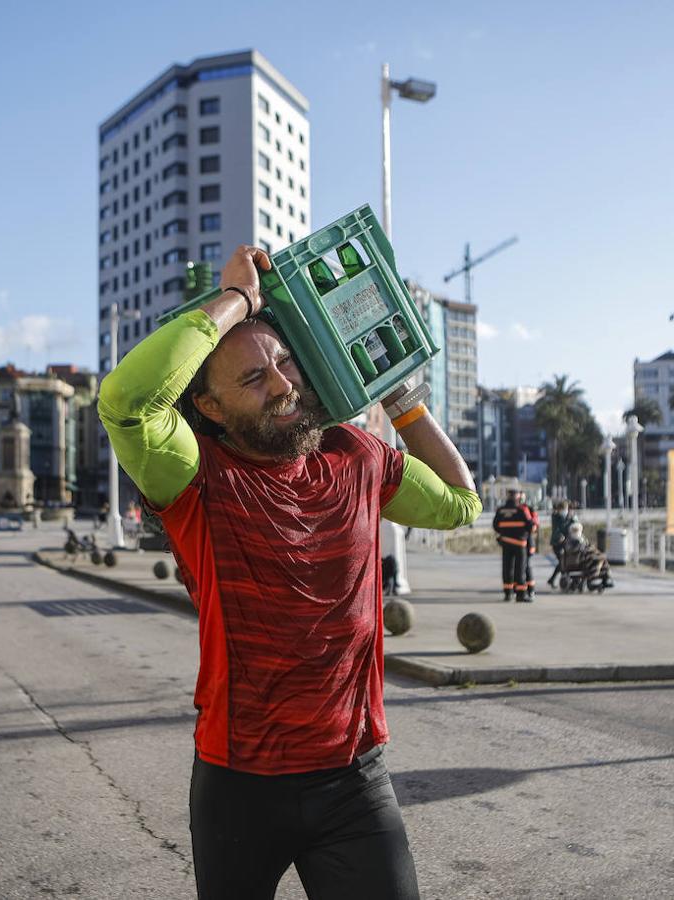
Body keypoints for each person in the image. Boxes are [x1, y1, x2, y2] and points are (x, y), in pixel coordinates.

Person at [99, 245, 480, 900]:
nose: (280, 385)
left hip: (354, 780)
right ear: (211, 409)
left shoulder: (355, 455)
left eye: (284, 363)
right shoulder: (195, 478)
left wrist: (404, 402)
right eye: (251, 380)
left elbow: (459, 501)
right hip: (239, 786)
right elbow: (128, 403)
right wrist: (240, 300)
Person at [493, 488, 539, 601]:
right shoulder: (522, 509)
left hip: (506, 542)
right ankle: (521, 594)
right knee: (520, 569)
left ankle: (508, 594)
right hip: (520, 544)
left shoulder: (501, 510)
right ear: (518, 496)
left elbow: (496, 525)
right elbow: (530, 526)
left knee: (507, 568)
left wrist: (505, 533)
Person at [546, 500, 574, 588]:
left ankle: (555, 579)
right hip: (557, 543)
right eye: (563, 509)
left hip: (566, 543)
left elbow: (571, 526)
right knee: (562, 562)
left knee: (563, 562)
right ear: (559, 510)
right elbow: (558, 529)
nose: (565, 511)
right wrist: (560, 536)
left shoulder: (567, 517)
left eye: (566, 509)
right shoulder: (556, 517)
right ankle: (562, 579)